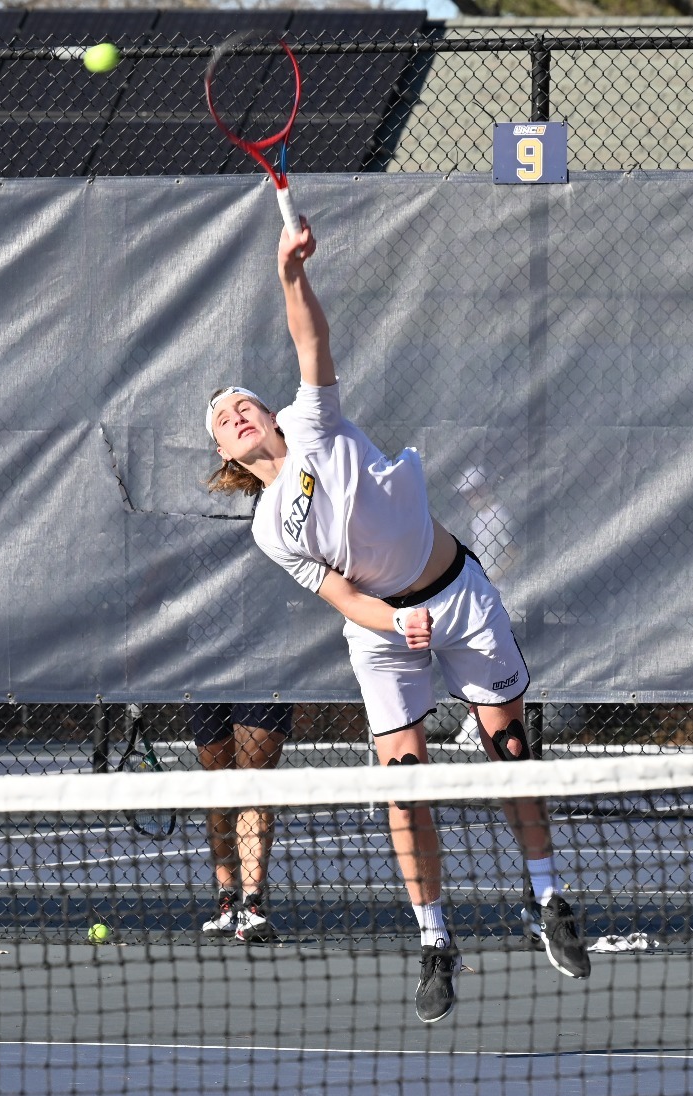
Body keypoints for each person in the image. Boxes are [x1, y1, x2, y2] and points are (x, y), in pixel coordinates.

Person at [203, 217, 589, 1024]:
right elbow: (343, 596)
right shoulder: (271, 526)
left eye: (242, 402)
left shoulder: (313, 422)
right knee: (405, 788)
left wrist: (289, 274)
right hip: (384, 637)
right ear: (230, 457)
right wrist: (391, 621)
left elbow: (311, 338)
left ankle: (548, 899)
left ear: (271, 417)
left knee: (510, 751)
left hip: (460, 595)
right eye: (220, 419)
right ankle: (435, 939)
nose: (234, 413)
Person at [190, 702, 293, 943]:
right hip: (205, 671)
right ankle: (227, 901)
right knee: (220, 781)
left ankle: (251, 906)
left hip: (264, 670)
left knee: (253, 777)